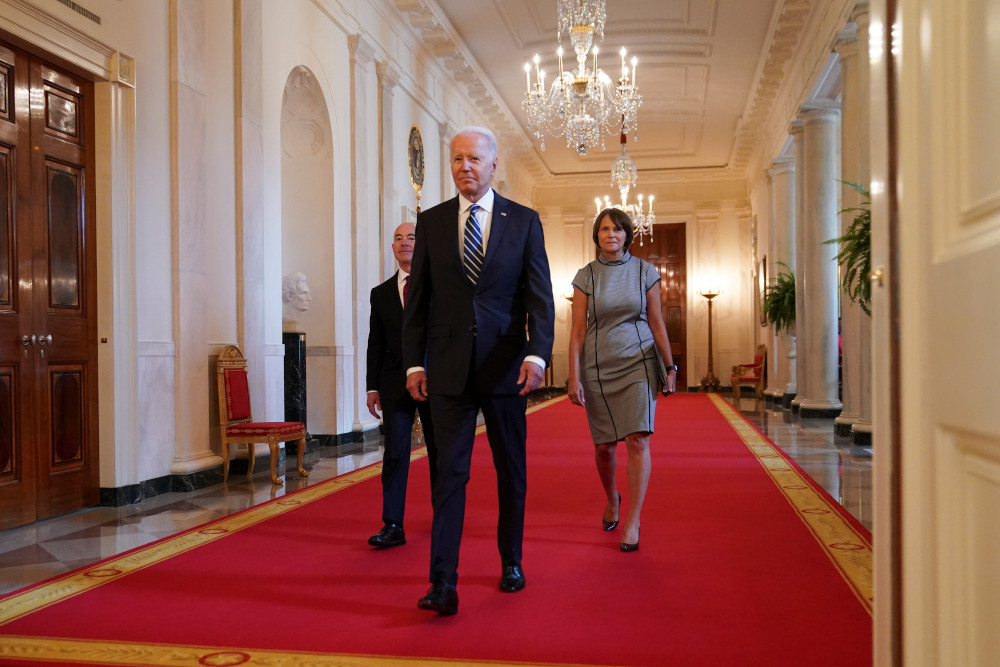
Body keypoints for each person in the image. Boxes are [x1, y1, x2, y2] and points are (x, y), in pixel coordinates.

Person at [403, 126, 555, 615]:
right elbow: (418, 305)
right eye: (456, 159)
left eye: (474, 159)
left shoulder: (524, 222)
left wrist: (536, 355)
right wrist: (413, 363)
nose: (464, 166)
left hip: (507, 369)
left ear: (493, 167)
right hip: (447, 372)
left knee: (511, 471)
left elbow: (540, 298)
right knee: (449, 474)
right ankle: (442, 583)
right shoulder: (432, 223)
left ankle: (511, 560)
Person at [566, 208, 676, 553]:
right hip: (598, 367)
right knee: (604, 447)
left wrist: (670, 368)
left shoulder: (645, 271)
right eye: (603, 229)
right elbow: (577, 333)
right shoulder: (586, 276)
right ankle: (611, 497)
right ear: (596, 236)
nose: (610, 234)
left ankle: (633, 518)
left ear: (628, 234)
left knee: (638, 440)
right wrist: (573, 375)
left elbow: (657, 323)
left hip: (638, 362)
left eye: (616, 229)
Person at [365, 223, 437, 549]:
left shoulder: (438, 286)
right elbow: (375, 343)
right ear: (392, 247)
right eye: (398, 238)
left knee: (439, 451)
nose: (404, 243)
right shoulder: (380, 294)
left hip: (434, 380)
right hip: (393, 383)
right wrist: (371, 387)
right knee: (395, 451)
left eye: (410, 238)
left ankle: (444, 516)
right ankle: (392, 523)